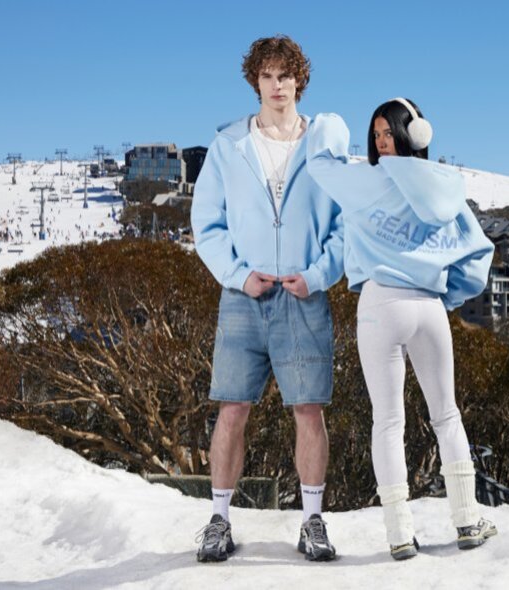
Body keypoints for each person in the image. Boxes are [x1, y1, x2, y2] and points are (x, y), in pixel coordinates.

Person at [306, 99, 497, 560]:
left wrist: (331, 124)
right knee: (446, 415)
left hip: (380, 304)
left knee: (388, 422)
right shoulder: (445, 186)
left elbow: (318, 162)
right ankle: (468, 520)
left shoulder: (362, 181)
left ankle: (398, 534)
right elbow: (476, 250)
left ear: (410, 134)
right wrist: (448, 291)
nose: (379, 142)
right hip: (428, 306)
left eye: (385, 133)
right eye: (375, 135)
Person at [191, 35, 345, 563]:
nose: (277, 85)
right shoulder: (228, 145)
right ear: (254, 81)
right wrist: (237, 275)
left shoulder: (324, 145)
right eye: (267, 76)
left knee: (309, 410)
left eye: (285, 75)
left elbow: (344, 223)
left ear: (299, 78)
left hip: (304, 296)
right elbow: (206, 224)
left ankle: (313, 522)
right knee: (232, 408)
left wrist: (319, 274)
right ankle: (218, 521)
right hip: (244, 297)